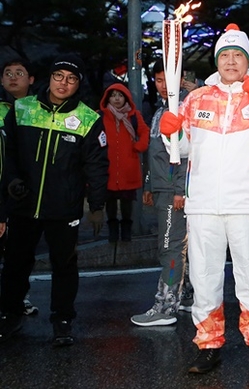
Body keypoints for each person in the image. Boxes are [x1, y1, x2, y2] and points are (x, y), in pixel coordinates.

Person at [160, 23, 249, 374]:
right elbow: (182, 149)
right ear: (218, 60)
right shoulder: (197, 97)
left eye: (238, 55)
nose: (231, 61)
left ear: (247, 61)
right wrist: (170, 131)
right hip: (202, 205)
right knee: (204, 276)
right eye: (225, 55)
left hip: (247, 203)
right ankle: (209, 343)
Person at [0, 54, 108, 346]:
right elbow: (7, 154)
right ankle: (10, 314)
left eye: (71, 79)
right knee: (15, 264)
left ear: (78, 84)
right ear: (49, 77)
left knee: (64, 266)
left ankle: (62, 320)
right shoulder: (23, 109)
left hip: (64, 208)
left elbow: (97, 165)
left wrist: (96, 206)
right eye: (59, 76)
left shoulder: (88, 118)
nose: (64, 83)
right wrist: (11, 182)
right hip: (23, 204)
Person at [130, 59, 192, 327]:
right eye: (158, 80)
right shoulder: (159, 111)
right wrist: (148, 184)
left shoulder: (188, 107)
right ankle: (187, 297)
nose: (164, 86)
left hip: (175, 192)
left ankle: (165, 306)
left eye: (168, 79)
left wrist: (180, 190)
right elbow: (155, 153)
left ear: (182, 78)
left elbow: (188, 157)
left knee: (170, 248)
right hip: (162, 188)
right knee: (180, 247)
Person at [0, 58, 39, 316]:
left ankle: (17, 298)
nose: (13, 77)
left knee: (21, 253)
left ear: (31, 79)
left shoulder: (38, 110)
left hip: (28, 194)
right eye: (8, 73)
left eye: (20, 73)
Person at [99, 83, 150, 242]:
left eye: (120, 95)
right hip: (108, 166)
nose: (116, 99)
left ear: (126, 98)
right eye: (113, 95)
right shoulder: (100, 116)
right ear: (108, 98)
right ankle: (113, 230)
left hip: (129, 165)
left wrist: (139, 146)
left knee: (127, 200)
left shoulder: (134, 115)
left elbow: (144, 132)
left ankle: (126, 229)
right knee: (110, 200)